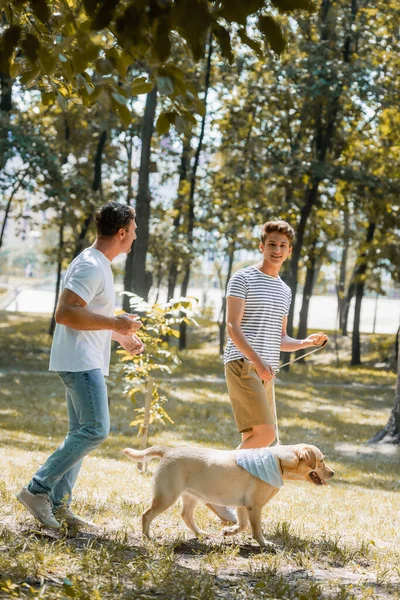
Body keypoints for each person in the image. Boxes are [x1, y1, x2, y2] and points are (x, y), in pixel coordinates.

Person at [16, 201, 144, 529]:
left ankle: (58, 507)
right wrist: (116, 323)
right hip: (80, 363)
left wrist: (120, 335)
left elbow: (85, 317)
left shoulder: (98, 263)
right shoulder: (91, 265)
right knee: (95, 430)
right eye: (132, 231)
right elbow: (65, 313)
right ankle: (37, 489)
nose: (134, 237)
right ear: (120, 232)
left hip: (83, 359)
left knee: (80, 432)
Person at [225, 220, 328, 450]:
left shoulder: (285, 290)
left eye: (283, 245)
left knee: (254, 438)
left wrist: (306, 342)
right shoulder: (242, 278)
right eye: (272, 244)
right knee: (267, 434)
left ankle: (239, 485)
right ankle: (218, 476)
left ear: (290, 251)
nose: (277, 250)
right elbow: (232, 326)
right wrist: (258, 361)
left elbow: (280, 339)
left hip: (266, 369)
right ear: (262, 247)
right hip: (243, 364)